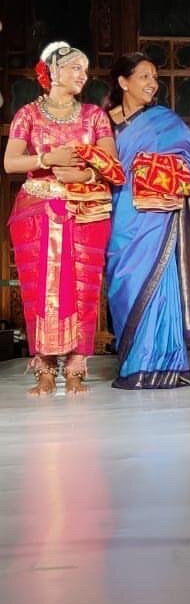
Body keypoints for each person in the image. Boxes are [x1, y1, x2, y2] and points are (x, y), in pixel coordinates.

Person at [3, 41, 120, 395]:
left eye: (85, 70)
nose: (82, 75)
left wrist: (84, 177)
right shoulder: (28, 114)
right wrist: (47, 159)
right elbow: (10, 163)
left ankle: (75, 367)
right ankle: (43, 367)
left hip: (84, 210)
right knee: (39, 289)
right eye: (74, 68)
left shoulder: (94, 116)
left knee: (83, 288)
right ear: (52, 71)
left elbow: (111, 165)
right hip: (38, 211)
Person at [105, 53, 190, 389]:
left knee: (159, 285)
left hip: (156, 214)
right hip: (117, 213)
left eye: (154, 77)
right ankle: (130, 363)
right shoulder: (102, 123)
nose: (152, 83)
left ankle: (163, 365)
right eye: (143, 76)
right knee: (124, 284)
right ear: (123, 82)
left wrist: (162, 172)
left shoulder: (164, 120)